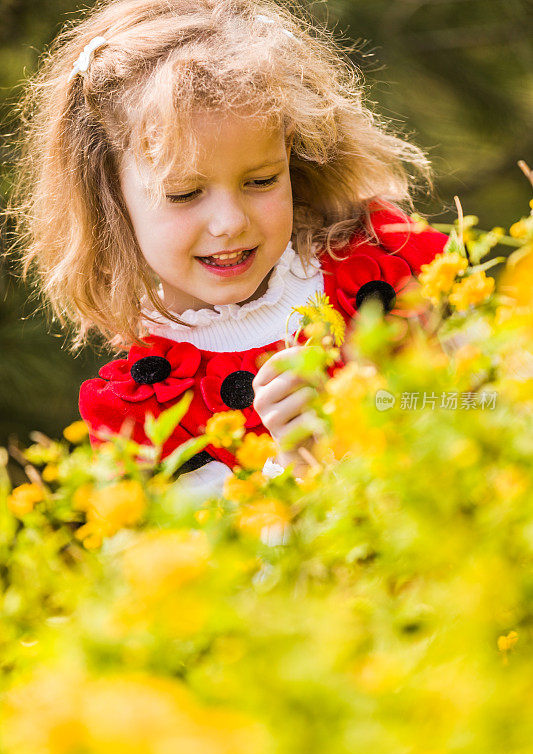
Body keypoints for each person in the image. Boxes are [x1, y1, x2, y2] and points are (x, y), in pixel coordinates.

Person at [11, 0, 448, 497]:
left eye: (261, 180)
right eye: (184, 194)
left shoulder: (377, 260)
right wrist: (296, 467)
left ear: (292, 155)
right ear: (111, 198)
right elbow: (199, 567)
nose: (230, 223)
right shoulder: (143, 414)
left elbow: (489, 397)